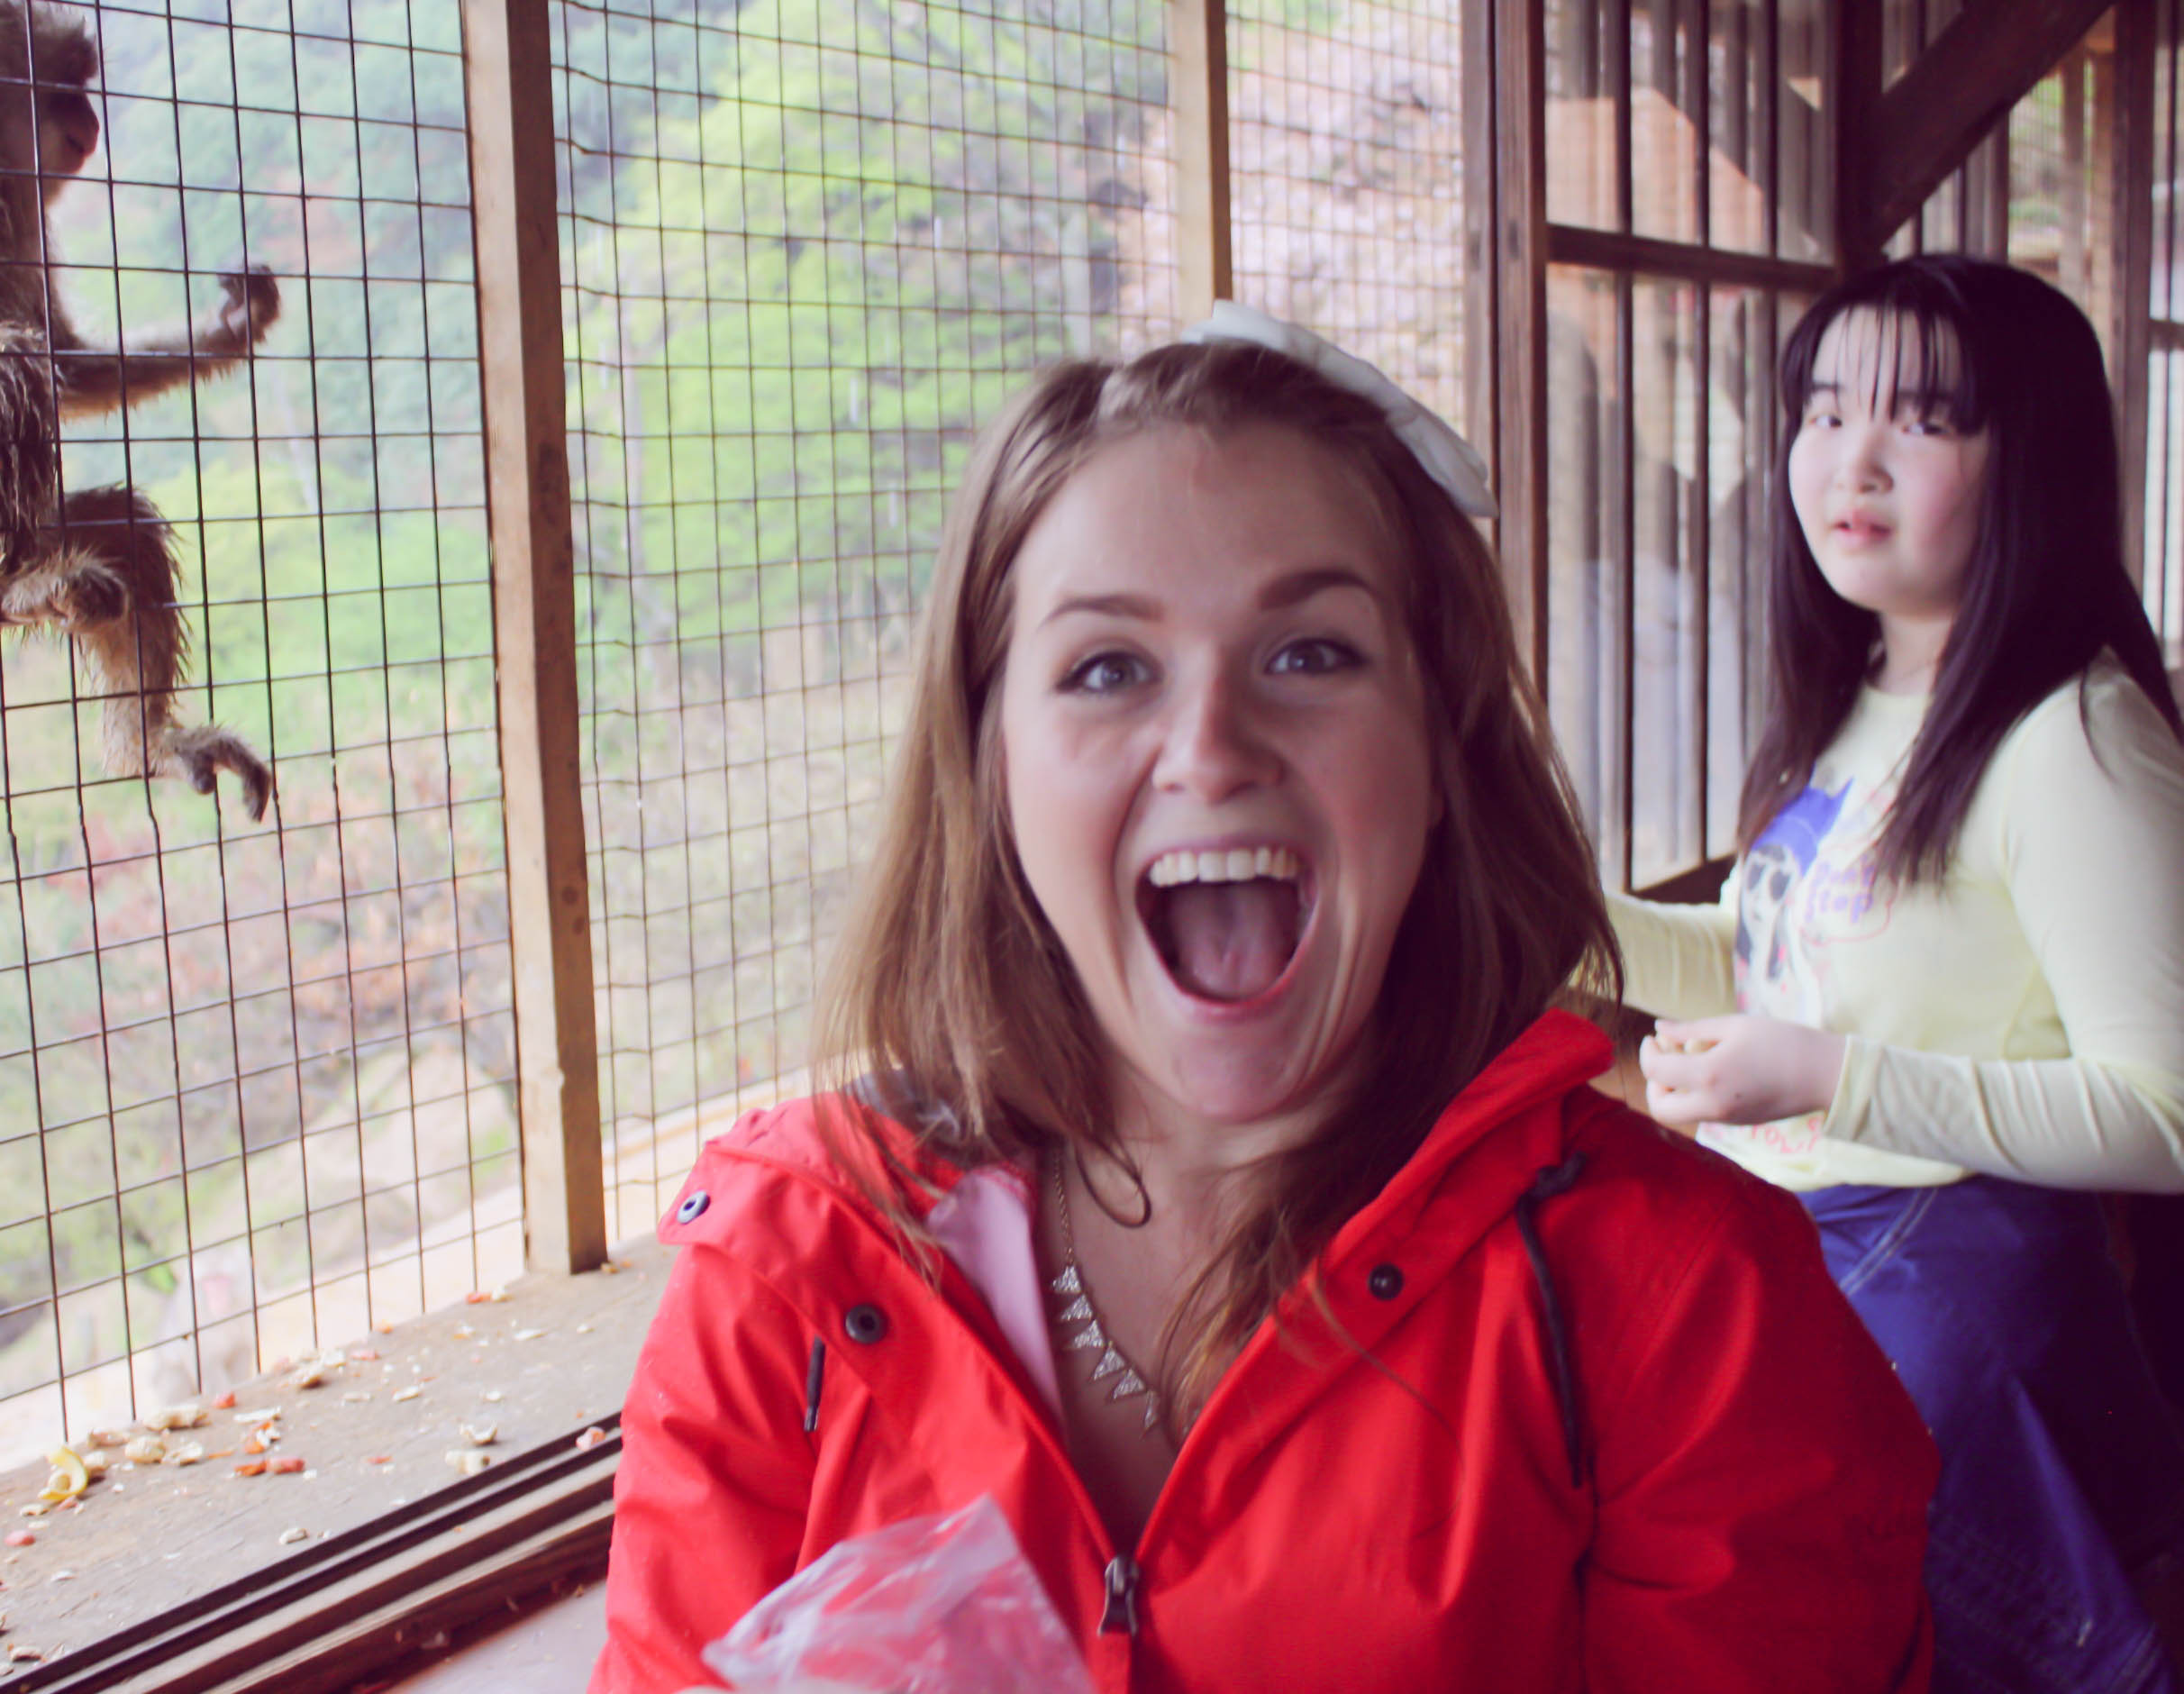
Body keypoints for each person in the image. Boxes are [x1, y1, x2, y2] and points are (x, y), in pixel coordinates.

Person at [593, 305, 1938, 1694]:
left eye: (1311, 655)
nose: (1211, 747)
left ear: (1439, 750)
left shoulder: (1683, 1306)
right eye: (1108, 667)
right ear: (991, 769)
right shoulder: (791, 1273)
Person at [1614, 254, 2184, 1694]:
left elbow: (2169, 1117)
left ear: (2032, 459)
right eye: (1820, 410)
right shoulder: (1868, 695)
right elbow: (1762, 959)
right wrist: (1558, 911)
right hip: (1825, 1267)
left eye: (1921, 421)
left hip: (1966, 1317)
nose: (1845, 461)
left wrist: (1828, 1078)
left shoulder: (2074, 740)